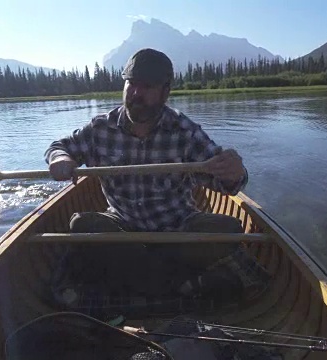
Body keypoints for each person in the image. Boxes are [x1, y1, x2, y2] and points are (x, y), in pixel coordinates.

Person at [44, 48, 250, 298]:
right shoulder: (101, 128)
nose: (136, 94)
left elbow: (228, 183)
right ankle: (175, 281)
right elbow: (59, 147)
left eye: (147, 86)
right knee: (83, 224)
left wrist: (234, 171)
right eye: (131, 85)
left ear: (165, 91)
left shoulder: (184, 131)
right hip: (123, 229)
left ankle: (140, 275)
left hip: (176, 232)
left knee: (229, 229)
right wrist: (60, 159)